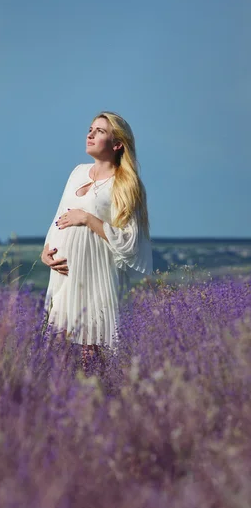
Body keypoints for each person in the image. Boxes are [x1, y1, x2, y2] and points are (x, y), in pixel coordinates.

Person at [41, 111, 153, 372]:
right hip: (65, 274)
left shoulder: (126, 184)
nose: (90, 134)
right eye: (91, 129)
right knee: (57, 349)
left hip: (96, 277)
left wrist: (88, 219)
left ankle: (99, 400)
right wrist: (46, 251)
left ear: (117, 144)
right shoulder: (78, 172)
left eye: (100, 131)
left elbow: (130, 242)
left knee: (92, 352)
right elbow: (59, 216)